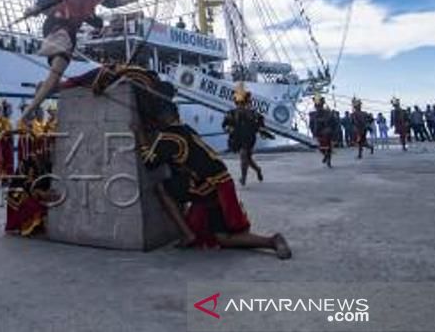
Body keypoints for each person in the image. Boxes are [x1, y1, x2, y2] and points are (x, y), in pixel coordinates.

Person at [129, 77, 290, 258]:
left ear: (161, 118)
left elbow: (150, 162)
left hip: (208, 186)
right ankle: (271, 241)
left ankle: (187, 234)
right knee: (222, 238)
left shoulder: (169, 138)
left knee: (161, 188)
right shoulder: (187, 129)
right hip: (219, 182)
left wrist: (140, 135)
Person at [20, 0, 137, 121]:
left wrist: (128, 1)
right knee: (56, 73)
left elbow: (111, 1)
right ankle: (27, 113)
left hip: (70, 33)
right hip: (58, 26)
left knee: (56, 78)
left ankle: (39, 94)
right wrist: (32, 10)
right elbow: (47, 0)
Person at [222, 84, 272, 186]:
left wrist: (262, 129)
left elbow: (260, 122)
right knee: (247, 159)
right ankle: (257, 169)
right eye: (239, 103)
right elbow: (225, 124)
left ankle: (243, 178)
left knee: (243, 156)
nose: (241, 106)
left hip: (249, 138)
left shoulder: (253, 113)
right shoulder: (231, 113)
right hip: (237, 138)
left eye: (243, 103)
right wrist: (228, 128)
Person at [309, 95, 336, 168]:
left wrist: (331, 130)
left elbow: (333, 122)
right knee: (321, 147)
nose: (318, 107)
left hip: (327, 132)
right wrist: (313, 132)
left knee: (328, 147)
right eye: (317, 105)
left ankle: (328, 161)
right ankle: (326, 156)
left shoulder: (328, 113)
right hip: (318, 132)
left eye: (319, 105)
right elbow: (311, 124)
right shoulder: (313, 114)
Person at [1, 100, 15, 182]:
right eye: (9, 109)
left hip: (9, 140)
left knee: (10, 158)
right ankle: (4, 176)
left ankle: (9, 175)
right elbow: (5, 130)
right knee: (5, 158)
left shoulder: (9, 119)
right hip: (4, 141)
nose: (10, 111)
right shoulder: (3, 119)